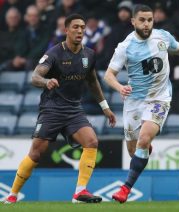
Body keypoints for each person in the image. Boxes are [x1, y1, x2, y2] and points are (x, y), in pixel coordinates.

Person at [104, 4, 179, 203]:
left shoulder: (162, 36)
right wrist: (120, 87)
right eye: (142, 20)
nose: (147, 24)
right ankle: (144, 148)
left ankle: (125, 188)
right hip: (134, 101)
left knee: (143, 139)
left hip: (160, 97)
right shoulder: (125, 46)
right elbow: (108, 75)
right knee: (134, 150)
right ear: (133, 22)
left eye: (149, 20)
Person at [3, 14, 116, 204]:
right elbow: (35, 76)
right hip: (52, 109)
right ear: (66, 30)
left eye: (82, 27)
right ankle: (12, 195)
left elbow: (93, 81)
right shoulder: (54, 53)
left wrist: (105, 107)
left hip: (73, 109)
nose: (80, 31)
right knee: (36, 153)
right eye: (75, 27)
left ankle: (80, 192)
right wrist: (46, 81)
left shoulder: (88, 54)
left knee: (91, 141)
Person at [9, 5, 50, 70]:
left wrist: (26, 59)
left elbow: (41, 48)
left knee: (29, 63)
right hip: (24, 61)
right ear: (26, 17)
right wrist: (18, 57)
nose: (32, 18)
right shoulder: (23, 31)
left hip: (39, 61)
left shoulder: (46, 30)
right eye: (30, 16)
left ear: (39, 16)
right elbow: (19, 46)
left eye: (35, 16)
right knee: (9, 64)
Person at [95, 0, 133, 70]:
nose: (123, 13)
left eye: (126, 11)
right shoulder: (115, 27)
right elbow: (108, 48)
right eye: (121, 11)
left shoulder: (133, 29)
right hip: (110, 61)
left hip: (125, 64)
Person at [0, 7, 23, 71]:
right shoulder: (1, 34)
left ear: (19, 18)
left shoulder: (24, 33)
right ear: (6, 19)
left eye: (15, 17)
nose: (13, 20)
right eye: (10, 18)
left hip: (18, 63)